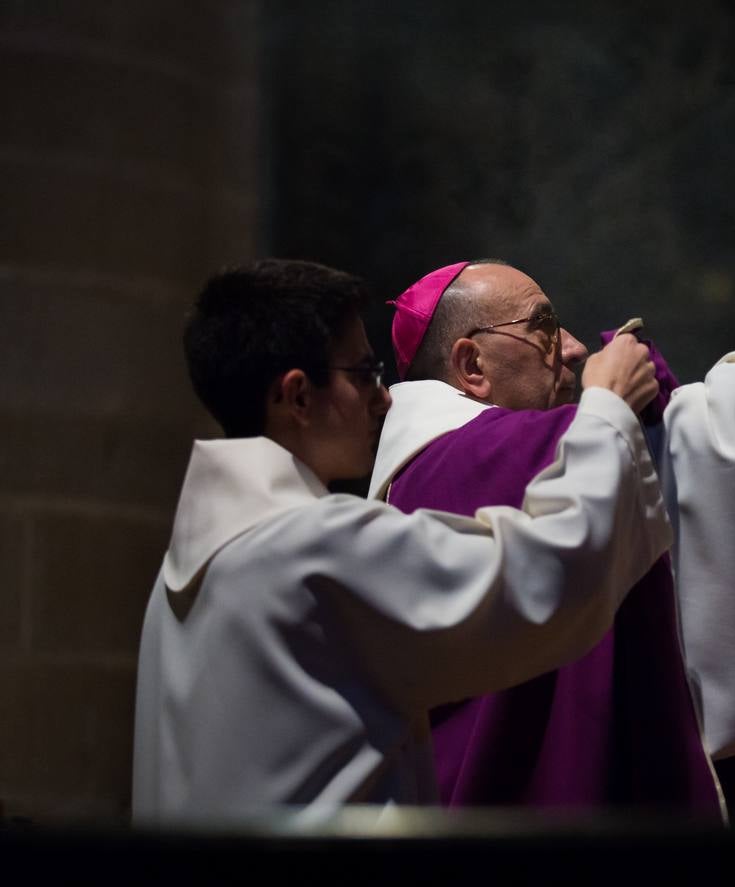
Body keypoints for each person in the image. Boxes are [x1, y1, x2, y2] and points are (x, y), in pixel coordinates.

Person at [369, 246, 735, 821]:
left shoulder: (423, 476)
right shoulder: (473, 459)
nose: (577, 349)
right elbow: (695, 457)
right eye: (545, 328)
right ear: (472, 365)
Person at [132, 259, 667, 820]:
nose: (386, 399)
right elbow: (548, 576)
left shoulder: (181, 574)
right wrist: (606, 410)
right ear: (296, 397)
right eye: (364, 373)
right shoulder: (312, 547)